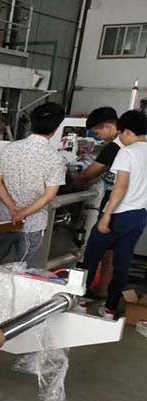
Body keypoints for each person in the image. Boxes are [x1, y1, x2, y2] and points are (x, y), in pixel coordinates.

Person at [0, 102, 67, 268]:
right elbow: (49, 195)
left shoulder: (10, 149)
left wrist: (12, 208)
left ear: (32, 123)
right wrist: (22, 213)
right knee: (22, 269)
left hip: (6, 218)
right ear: (56, 128)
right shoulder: (55, 159)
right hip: (32, 224)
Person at [81, 109, 147, 320]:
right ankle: (110, 310)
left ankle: (80, 303)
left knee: (91, 258)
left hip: (119, 214)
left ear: (126, 131)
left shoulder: (127, 152)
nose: (120, 138)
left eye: (121, 133)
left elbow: (120, 186)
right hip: (139, 215)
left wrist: (107, 215)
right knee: (122, 263)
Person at [65, 107, 121, 296]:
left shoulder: (114, 147)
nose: (98, 138)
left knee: (95, 248)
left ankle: (81, 290)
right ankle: (102, 289)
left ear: (108, 126)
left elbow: (88, 175)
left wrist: (67, 189)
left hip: (114, 201)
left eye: (97, 133)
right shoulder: (136, 143)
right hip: (134, 205)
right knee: (111, 250)